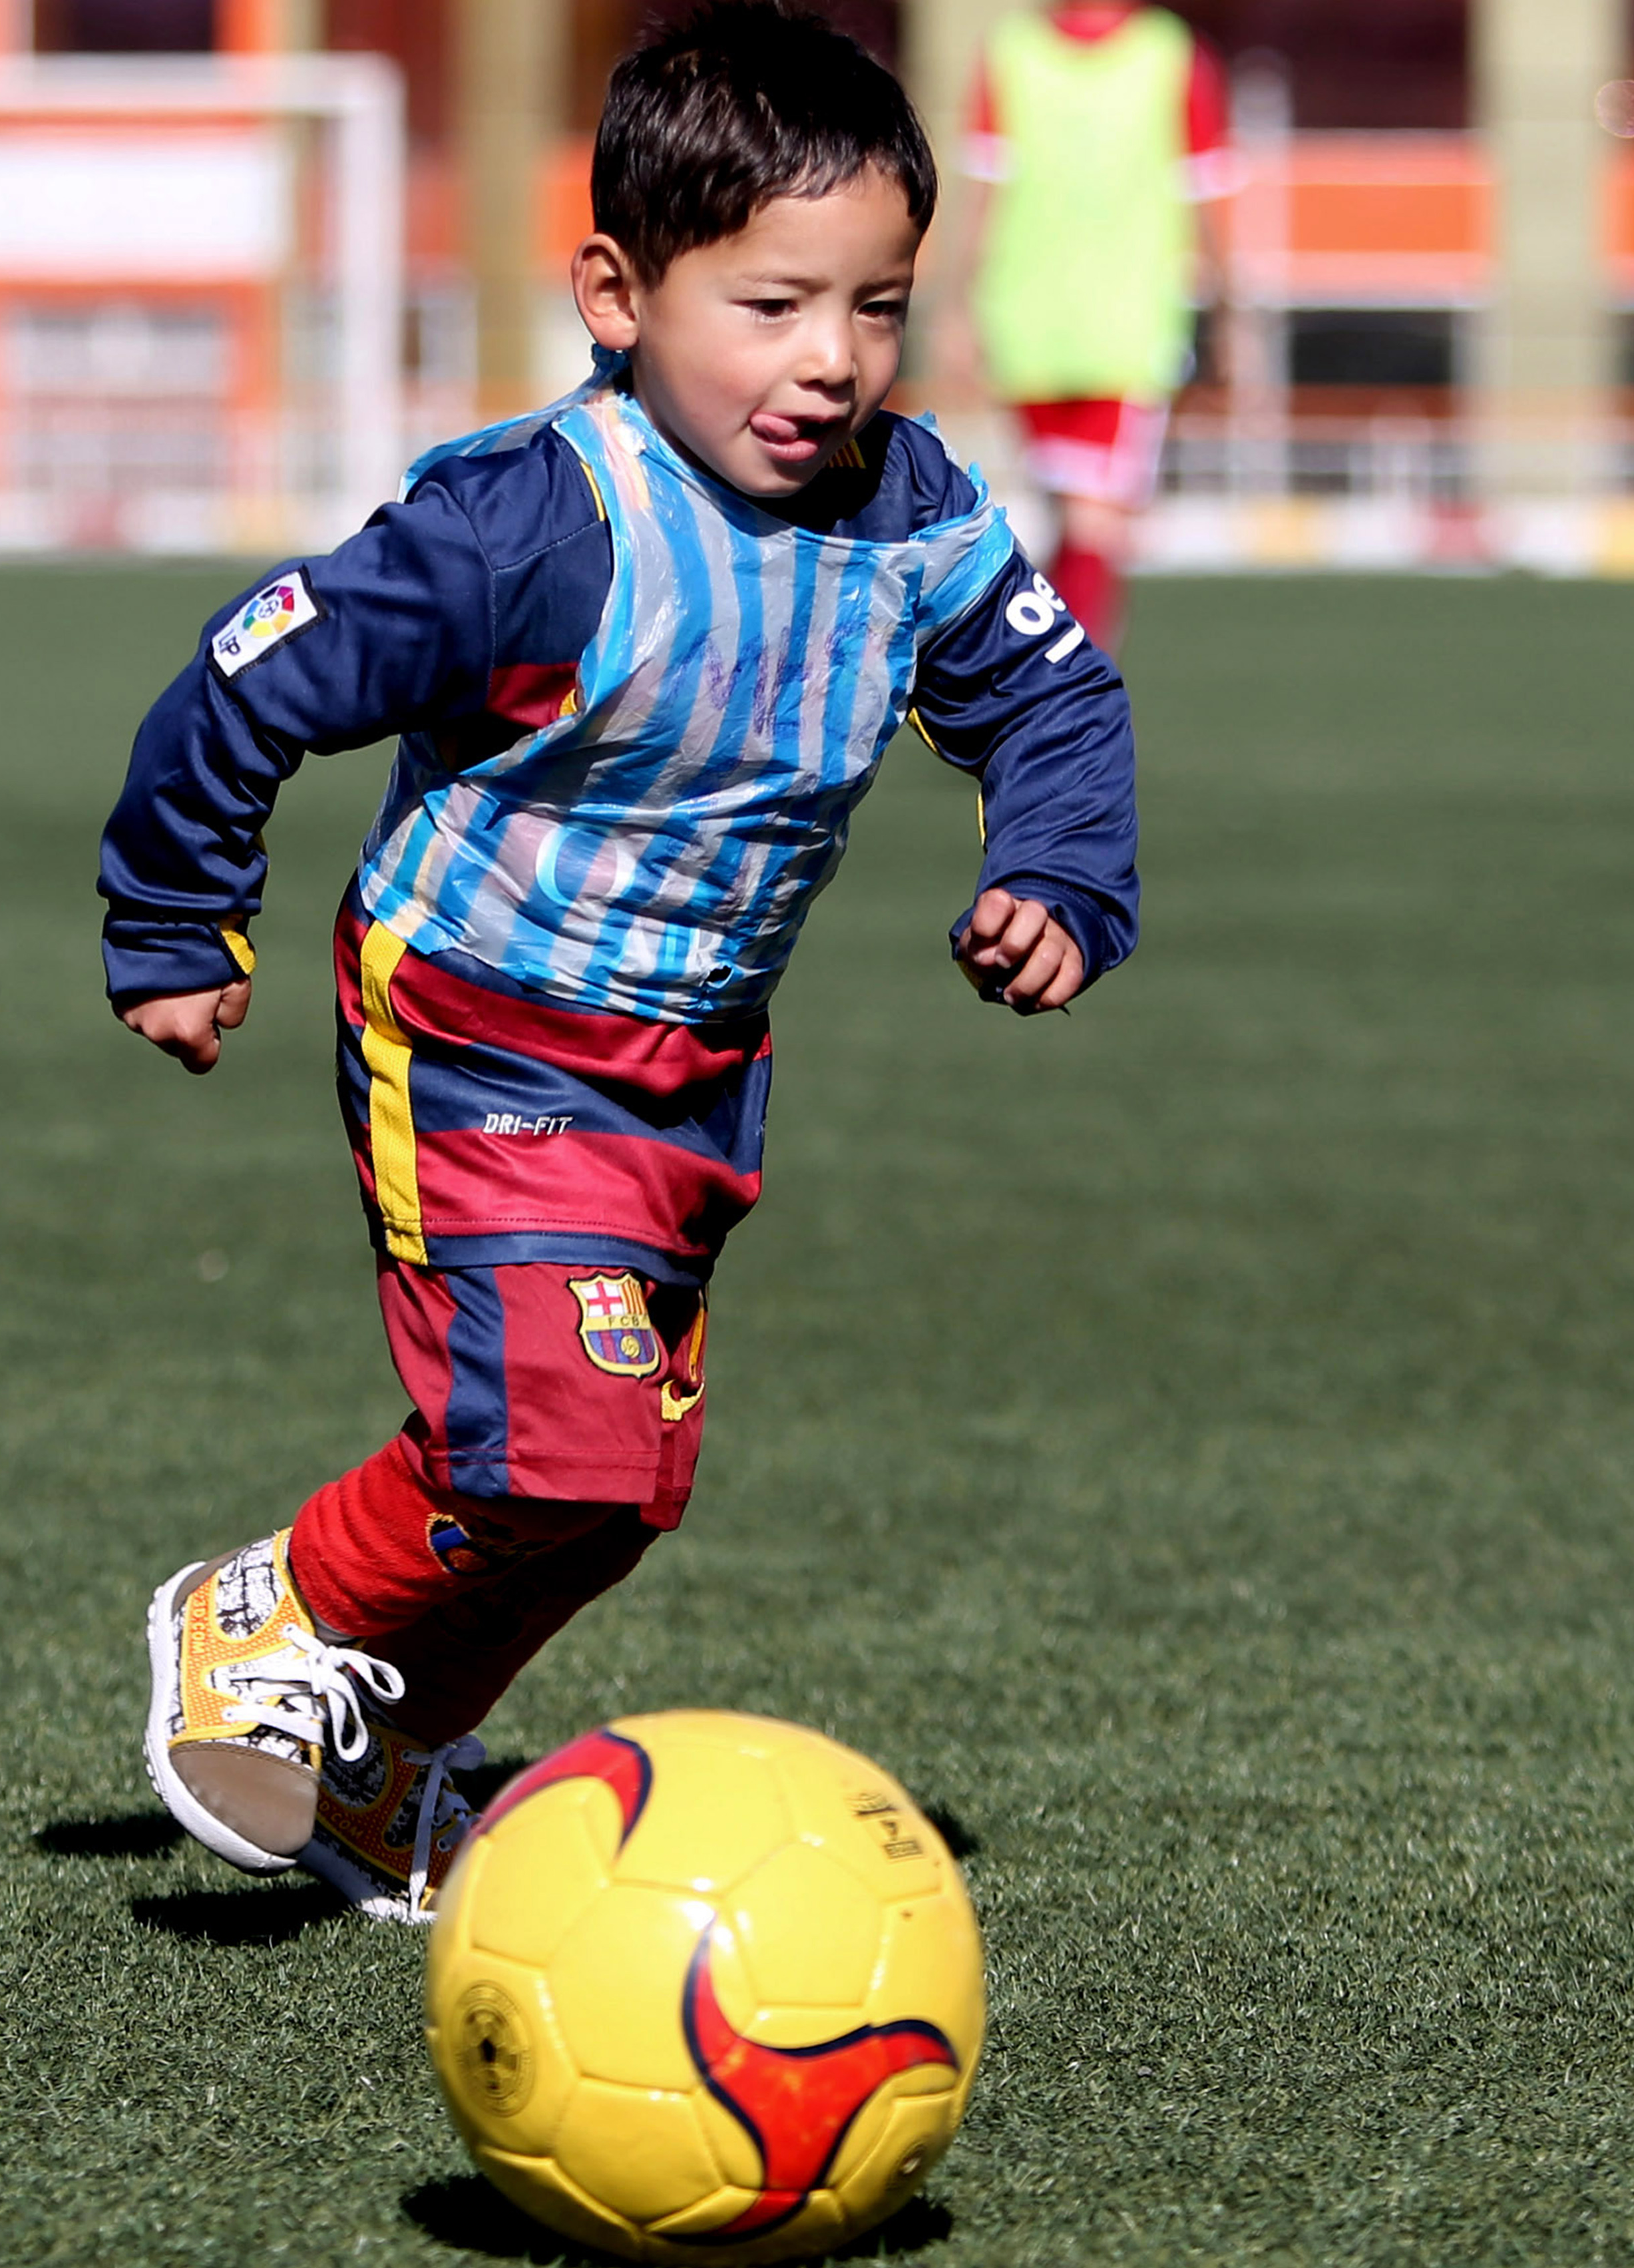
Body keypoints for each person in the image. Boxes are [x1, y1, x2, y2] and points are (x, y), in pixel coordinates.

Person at [97, 0, 1139, 1925]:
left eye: (877, 305)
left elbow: (1056, 704)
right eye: (770, 305)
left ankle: (384, 1750)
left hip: (695, 1070)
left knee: (622, 1484)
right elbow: (246, 673)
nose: (832, 362)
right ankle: (276, 1604)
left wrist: (1064, 871)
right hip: (479, 1031)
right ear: (615, 291)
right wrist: (175, 917)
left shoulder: (914, 514)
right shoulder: (527, 527)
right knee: (547, 1450)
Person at [934, 1, 1237, 652]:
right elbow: (1208, 202)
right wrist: (1231, 315)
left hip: (1026, 326)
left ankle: (1041, 675)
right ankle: (1064, 689)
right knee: (1097, 524)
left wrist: (959, 308)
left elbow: (981, 200)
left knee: (1075, 517)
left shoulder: (1011, 51)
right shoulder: (1173, 56)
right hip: (1128, 328)